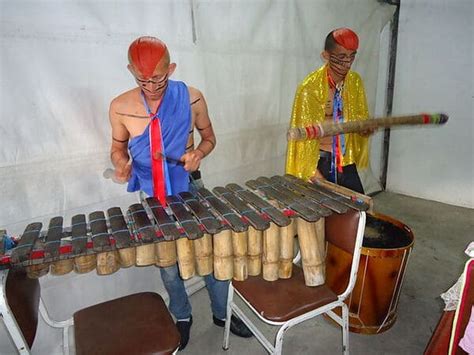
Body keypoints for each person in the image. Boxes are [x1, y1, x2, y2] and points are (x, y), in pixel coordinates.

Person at [109, 36, 252, 351]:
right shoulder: (120, 107)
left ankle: (222, 313)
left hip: (192, 187)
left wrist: (200, 152)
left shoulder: (191, 98)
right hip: (151, 194)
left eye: (158, 78)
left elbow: (210, 137)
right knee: (169, 266)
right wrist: (121, 164)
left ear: (170, 68)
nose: (150, 85)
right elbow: (118, 148)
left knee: (212, 256)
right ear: (131, 71)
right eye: (142, 79)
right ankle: (182, 316)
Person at [286, 28, 373, 194]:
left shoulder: (354, 82)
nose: (347, 63)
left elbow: (360, 124)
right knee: (324, 217)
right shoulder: (310, 88)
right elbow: (302, 139)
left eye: (352, 56)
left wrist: (365, 129)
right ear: (325, 56)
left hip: (346, 162)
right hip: (320, 162)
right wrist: (313, 172)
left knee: (361, 211)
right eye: (341, 57)